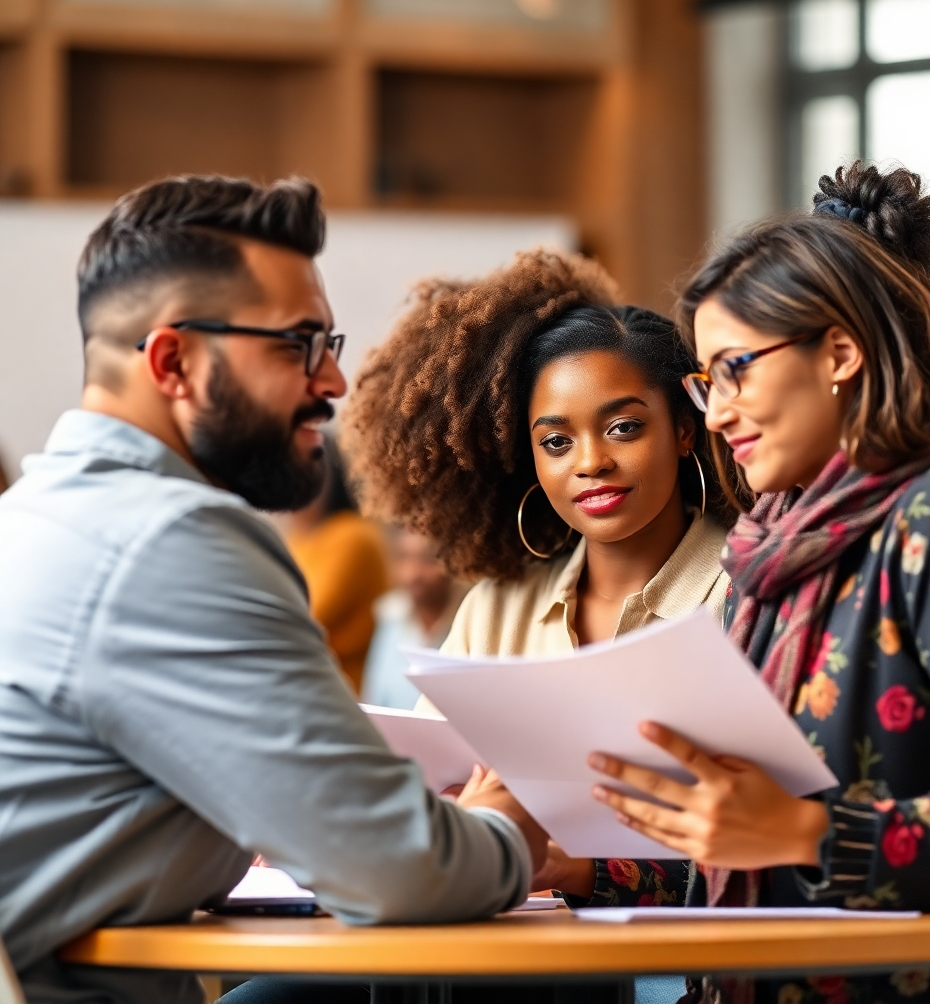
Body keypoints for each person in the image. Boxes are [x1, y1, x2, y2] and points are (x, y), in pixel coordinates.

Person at [0, 175, 546, 1004]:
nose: (335, 382)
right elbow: (399, 872)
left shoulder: (32, 517)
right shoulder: (173, 540)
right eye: (298, 345)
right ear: (174, 362)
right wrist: (507, 826)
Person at [587, 162, 930, 1003]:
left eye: (735, 369)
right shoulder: (768, 552)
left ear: (841, 352)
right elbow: (744, 849)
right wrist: (580, 865)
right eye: (705, 382)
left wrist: (805, 830)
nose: (716, 412)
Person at [343, 249, 735, 911]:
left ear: (684, 431)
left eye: (624, 428)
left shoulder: (745, 592)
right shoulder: (495, 610)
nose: (591, 462)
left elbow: (771, 838)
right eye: (557, 441)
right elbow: (429, 792)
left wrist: (579, 869)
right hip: (497, 938)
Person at [282, 437, 388, 691]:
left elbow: (306, 616)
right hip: (306, 683)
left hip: (343, 689)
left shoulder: (352, 535)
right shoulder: (297, 539)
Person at [361, 528, 465, 711]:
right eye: (403, 557)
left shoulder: (468, 622)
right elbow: (373, 701)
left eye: (428, 559)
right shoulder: (390, 617)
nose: (413, 573)